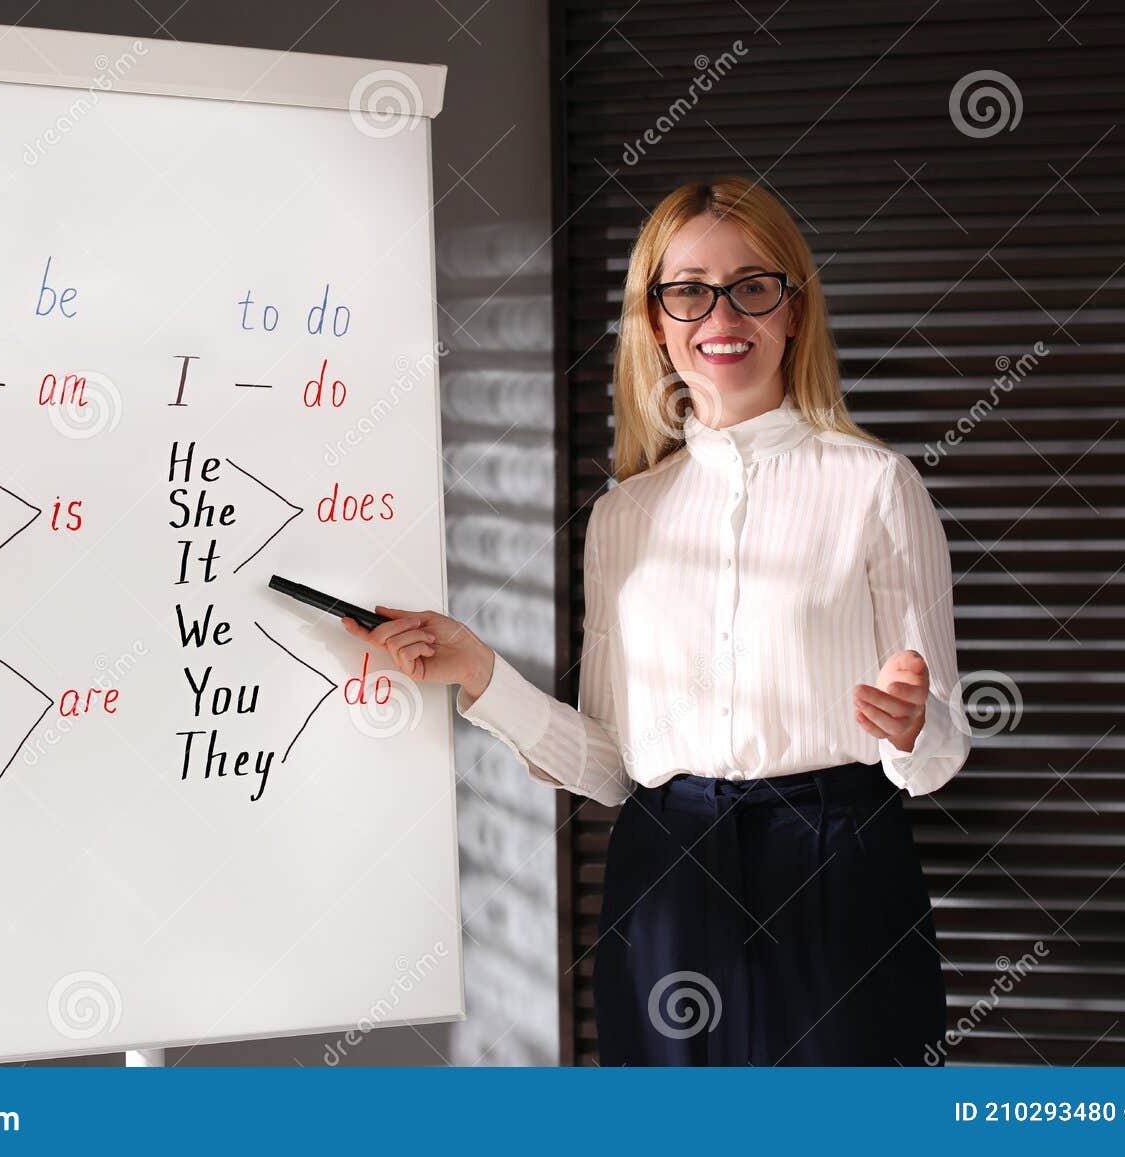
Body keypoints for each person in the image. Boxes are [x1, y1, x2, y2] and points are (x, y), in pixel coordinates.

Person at [341, 175, 972, 1066]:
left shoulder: (876, 486)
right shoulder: (624, 516)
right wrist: (481, 675)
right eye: (688, 290)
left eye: (754, 285)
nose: (723, 313)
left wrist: (913, 725)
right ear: (656, 319)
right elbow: (609, 766)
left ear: (794, 310)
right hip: (669, 871)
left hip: (840, 864)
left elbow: (939, 752)